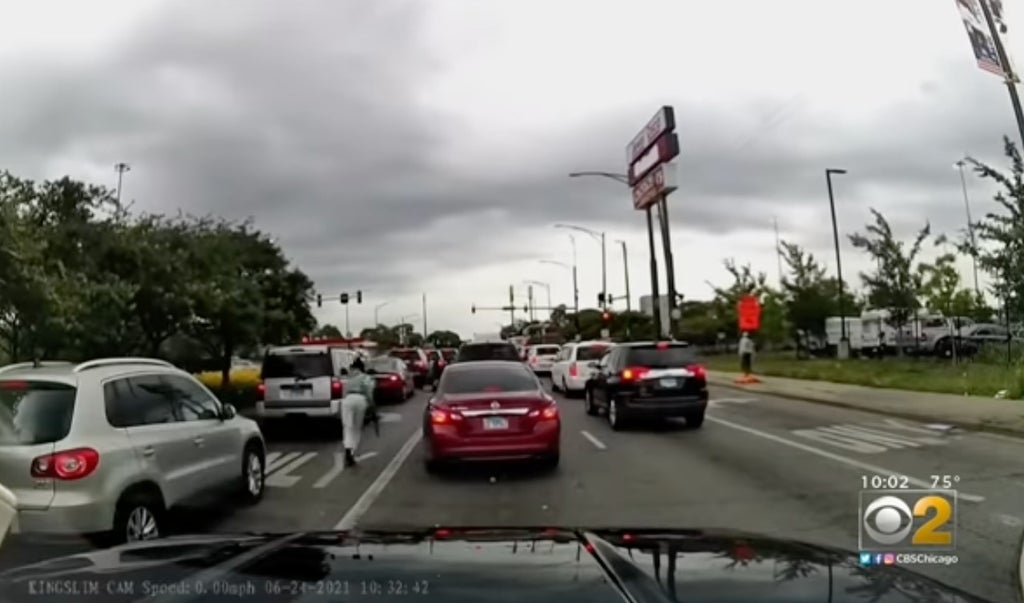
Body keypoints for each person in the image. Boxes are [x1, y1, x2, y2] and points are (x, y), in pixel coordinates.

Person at [341, 357, 376, 467]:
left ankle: (347, 448)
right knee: (356, 428)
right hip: (360, 399)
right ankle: (352, 452)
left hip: (347, 400)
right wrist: (372, 406)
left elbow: (343, 392)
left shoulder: (347, 378)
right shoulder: (366, 377)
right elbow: (369, 392)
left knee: (348, 427)